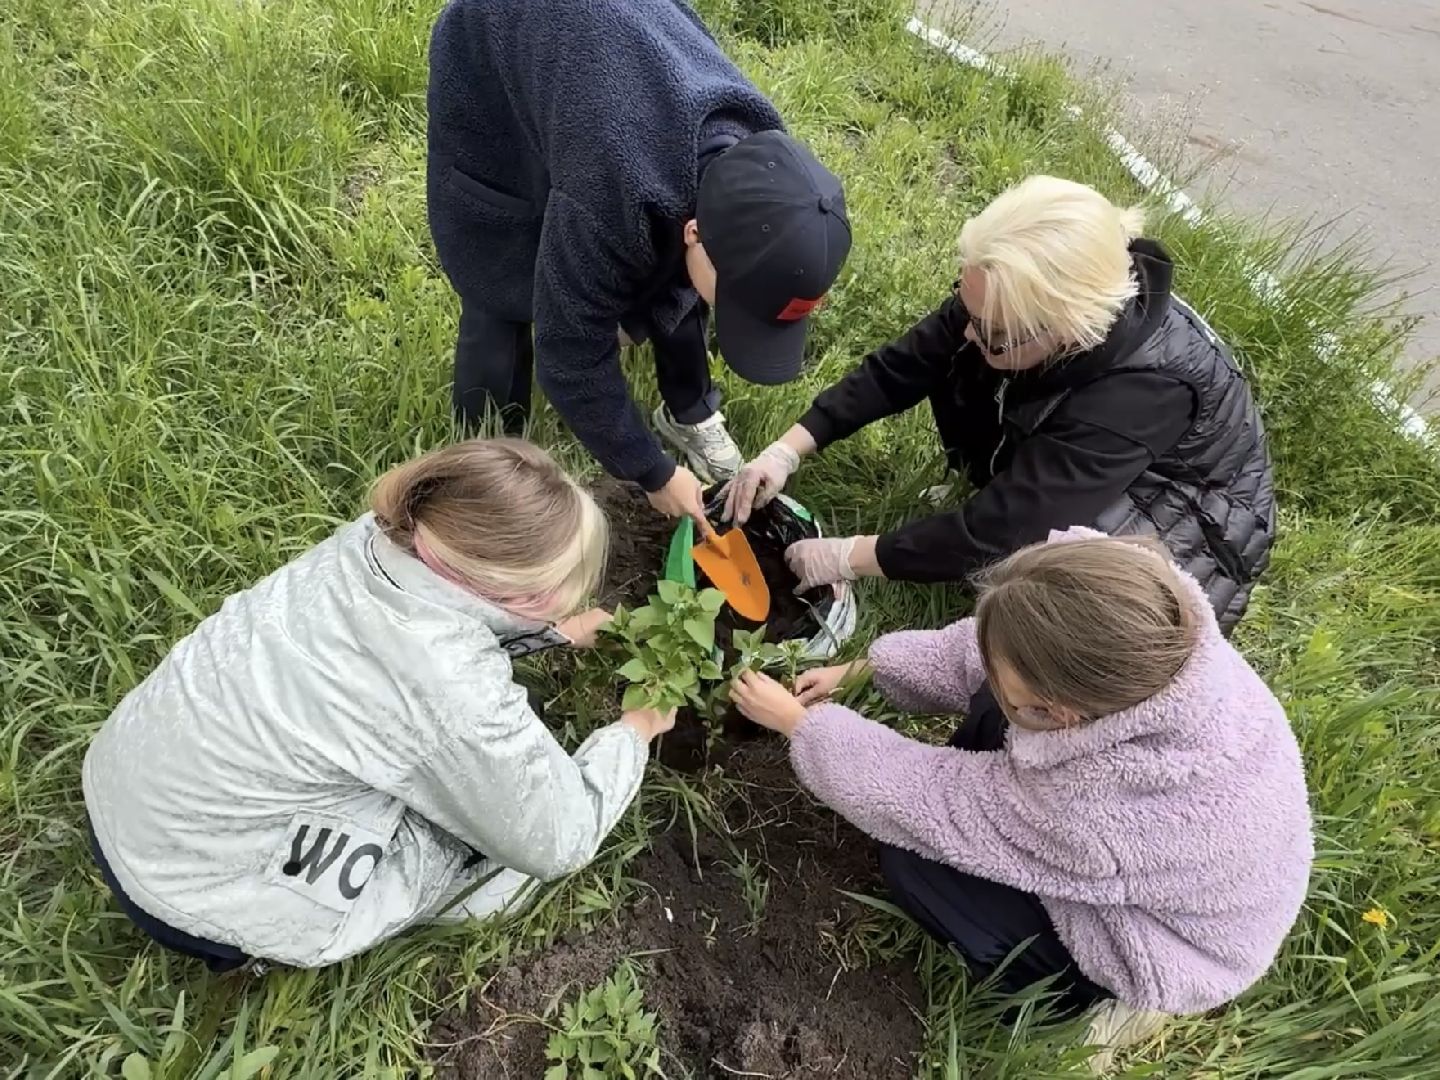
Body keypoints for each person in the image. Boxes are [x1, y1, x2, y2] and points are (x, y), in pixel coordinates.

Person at [730, 528, 1313, 1070]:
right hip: (1183, 866)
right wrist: (867, 669)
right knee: (999, 699)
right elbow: (991, 646)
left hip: (1164, 941)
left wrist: (801, 727)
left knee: (914, 862)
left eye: (1025, 702)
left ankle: (1075, 1000)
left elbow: (928, 801)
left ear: (1063, 714)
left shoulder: (1097, 809)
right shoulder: (1138, 635)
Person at [82, 439, 675, 971]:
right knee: (495, 858)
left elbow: (417, 640)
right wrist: (635, 730)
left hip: (133, 788)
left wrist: (551, 634)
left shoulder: (386, 535)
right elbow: (558, 838)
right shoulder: (452, 692)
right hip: (197, 895)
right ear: (525, 594)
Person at [723, 175, 1274, 633]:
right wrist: (787, 449)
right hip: (1082, 455)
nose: (969, 332)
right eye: (968, 309)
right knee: (972, 363)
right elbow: (902, 366)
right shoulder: (1005, 302)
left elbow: (1005, 526)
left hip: (1183, 519)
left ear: (1067, 328)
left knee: (1058, 604)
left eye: (992, 330)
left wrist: (852, 557)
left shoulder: (1146, 389)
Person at [426, 0, 852, 526]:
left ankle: (689, 409)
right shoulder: (607, 190)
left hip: (608, 55)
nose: (738, 318)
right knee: (500, 279)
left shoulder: (762, 168)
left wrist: (642, 317)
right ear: (694, 231)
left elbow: (684, 265)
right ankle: (482, 469)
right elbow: (570, 354)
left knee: (680, 279)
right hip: (491, 42)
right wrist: (651, 471)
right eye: (737, 304)